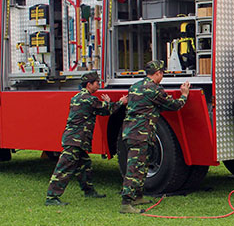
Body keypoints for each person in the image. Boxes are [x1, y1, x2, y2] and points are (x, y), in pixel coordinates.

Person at [45, 72, 128, 206]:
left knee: (84, 165)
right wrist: (121, 102)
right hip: (75, 140)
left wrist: (107, 104)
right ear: (89, 84)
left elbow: (101, 109)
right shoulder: (89, 99)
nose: (98, 85)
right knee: (64, 168)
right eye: (96, 83)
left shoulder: (78, 97)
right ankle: (52, 197)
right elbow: (107, 110)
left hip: (75, 139)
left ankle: (88, 190)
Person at [119, 60, 190, 214]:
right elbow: (174, 106)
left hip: (132, 133)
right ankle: (126, 203)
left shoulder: (135, 86)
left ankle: (137, 196)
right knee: (134, 168)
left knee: (142, 166)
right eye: (162, 73)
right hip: (140, 134)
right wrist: (184, 95)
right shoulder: (154, 90)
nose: (162, 76)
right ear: (157, 73)